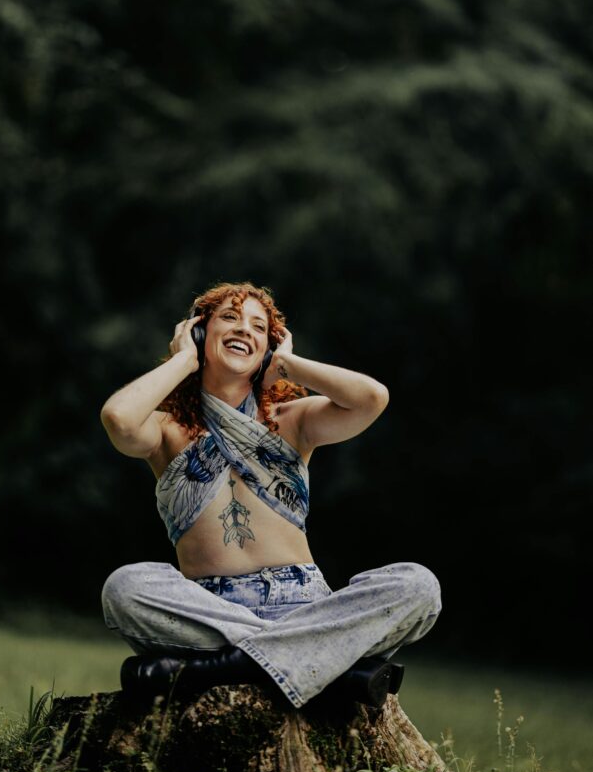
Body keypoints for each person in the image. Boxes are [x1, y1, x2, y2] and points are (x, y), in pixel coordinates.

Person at [100, 281, 441, 709]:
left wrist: (290, 365)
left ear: (269, 348)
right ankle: (326, 667)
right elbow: (118, 418)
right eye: (229, 317)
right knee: (124, 588)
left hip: (305, 605)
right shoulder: (167, 430)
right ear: (200, 333)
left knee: (419, 587)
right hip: (212, 612)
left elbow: (371, 398)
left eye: (258, 327)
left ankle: (218, 669)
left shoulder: (291, 420)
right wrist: (184, 359)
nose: (244, 329)